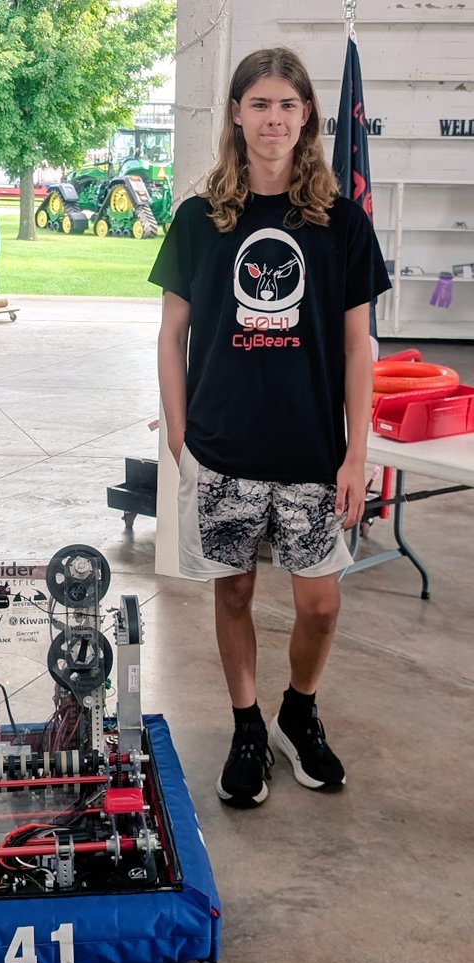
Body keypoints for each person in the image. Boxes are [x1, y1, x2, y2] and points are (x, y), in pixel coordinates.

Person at [150, 48, 389, 809]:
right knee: (233, 595)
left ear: (308, 115)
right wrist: (180, 434)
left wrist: (357, 452)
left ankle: (298, 709)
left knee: (320, 603)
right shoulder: (199, 218)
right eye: (258, 103)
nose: (273, 118)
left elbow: (359, 344)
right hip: (223, 446)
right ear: (234, 113)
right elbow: (170, 334)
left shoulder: (338, 222)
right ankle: (246, 723)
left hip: (312, 453)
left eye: (287, 104)